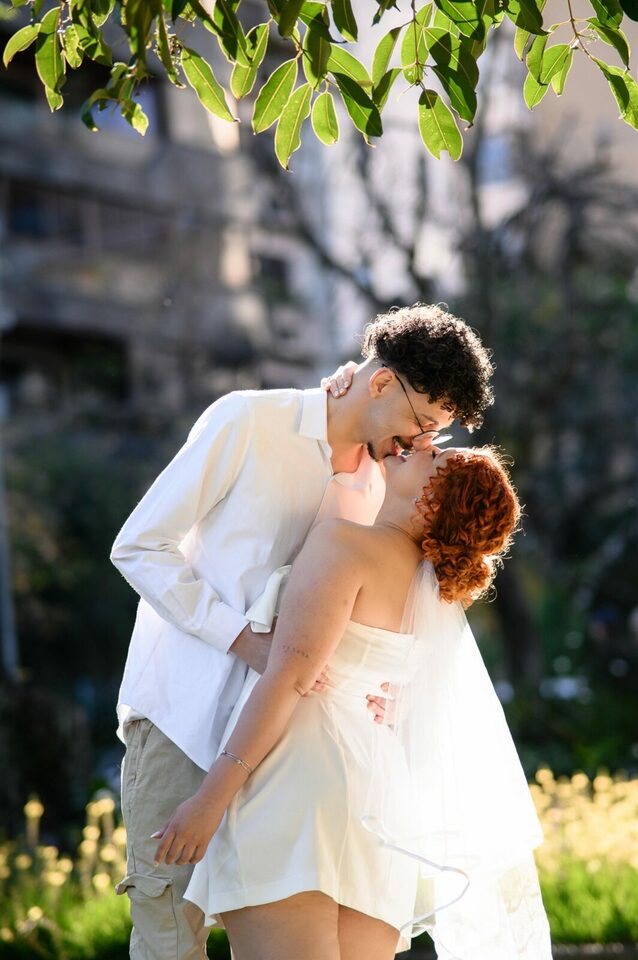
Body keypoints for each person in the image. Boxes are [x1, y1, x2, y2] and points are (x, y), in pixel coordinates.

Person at [110, 303, 495, 960]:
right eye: (421, 422)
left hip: (297, 753)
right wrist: (245, 642)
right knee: (170, 938)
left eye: (434, 433)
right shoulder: (248, 422)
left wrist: (394, 688)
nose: (419, 444)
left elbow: (394, 603)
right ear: (377, 383)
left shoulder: (386, 480)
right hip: (186, 718)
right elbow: (140, 546)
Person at [153, 446, 552, 960]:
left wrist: (208, 801)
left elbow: (289, 678)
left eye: (437, 460)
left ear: (432, 503)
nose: (426, 446)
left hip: (297, 782)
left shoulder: (344, 543)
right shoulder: (434, 593)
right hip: (380, 802)